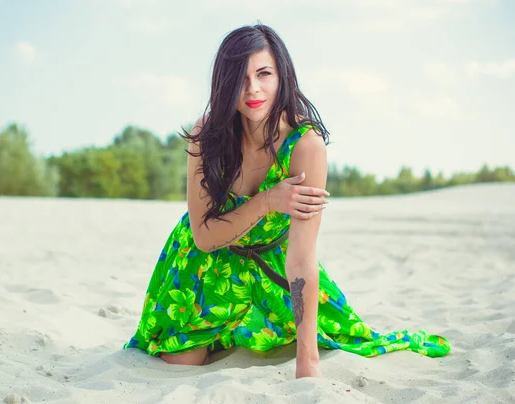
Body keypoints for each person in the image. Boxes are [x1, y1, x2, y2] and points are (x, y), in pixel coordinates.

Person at [123, 24, 451, 378]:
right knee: (180, 359)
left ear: (282, 76)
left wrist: (307, 362)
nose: (253, 89)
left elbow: (301, 258)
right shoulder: (207, 135)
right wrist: (268, 201)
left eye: (264, 74)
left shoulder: (305, 146)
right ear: (224, 83)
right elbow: (203, 237)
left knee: (324, 340)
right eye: (240, 77)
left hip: (275, 267)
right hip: (205, 262)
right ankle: (221, 329)